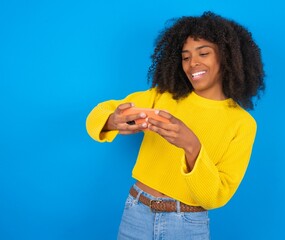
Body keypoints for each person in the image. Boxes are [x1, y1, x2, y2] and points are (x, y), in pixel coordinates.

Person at [86, 11, 265, 240]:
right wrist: (113, 120)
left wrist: (192, 146)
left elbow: (216, 197)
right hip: (136, 213)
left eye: (204, 53)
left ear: (226, 57)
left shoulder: (242, 124)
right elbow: (99, 113)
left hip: (187, 225)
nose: (193, 64)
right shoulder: (163, 96)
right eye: (185, 56)